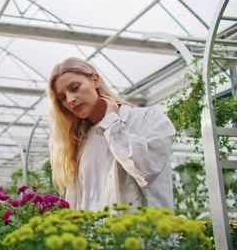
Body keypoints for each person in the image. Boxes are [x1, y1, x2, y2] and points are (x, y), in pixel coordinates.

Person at [46, 57, 176, 212]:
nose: (70, 99)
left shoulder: (147, 119)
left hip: (140, 234)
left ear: (95, 80)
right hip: (95, 235)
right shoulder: (81, 143)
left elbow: (146, 169)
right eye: (62, 98)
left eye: (74, 87)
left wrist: (113, 126)